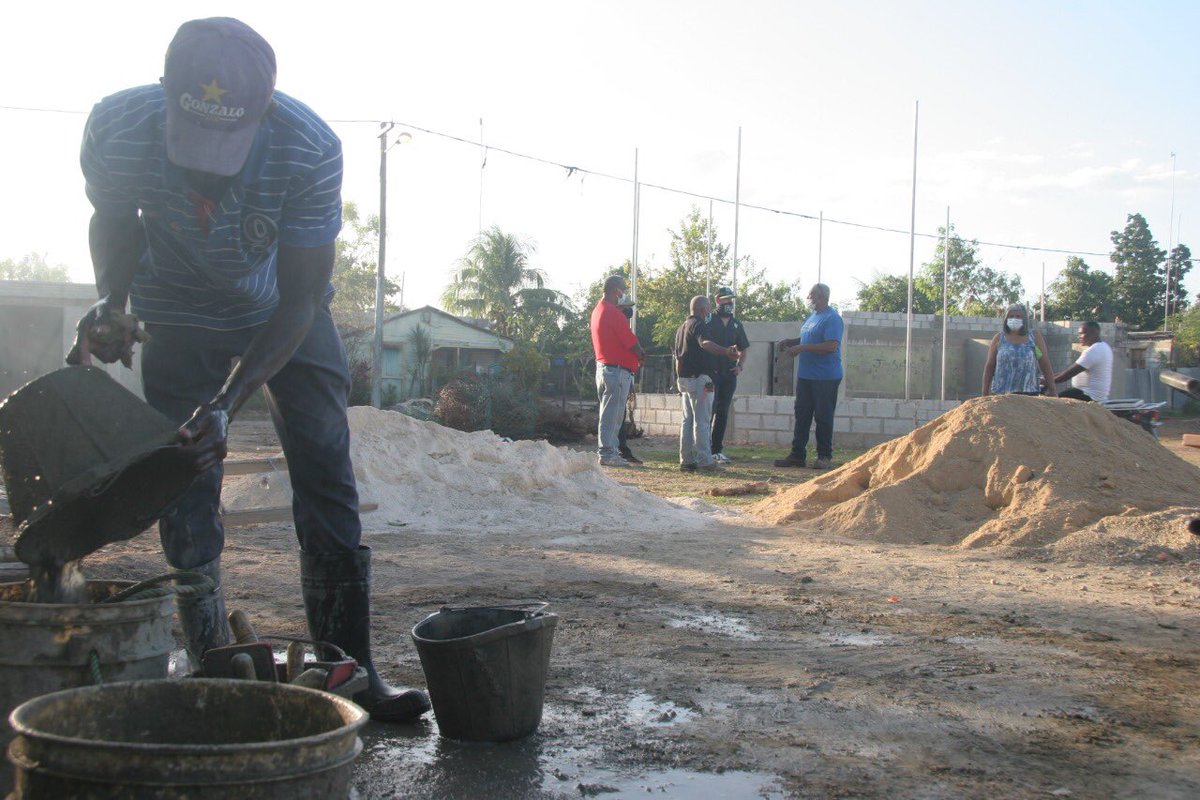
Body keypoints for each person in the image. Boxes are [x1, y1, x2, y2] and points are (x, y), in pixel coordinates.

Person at [72, 17, 429, 721]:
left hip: (282, 316)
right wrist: (111, 303)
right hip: (175, 311)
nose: (205, 169)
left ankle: (348, 673)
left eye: (224, 150)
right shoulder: (118, 127)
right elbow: (115, 222)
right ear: (168, 98)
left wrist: (228, 404)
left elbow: (300, 298)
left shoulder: (308, 148)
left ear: (263, 111)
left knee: (326, 466)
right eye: (193, 144)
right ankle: (212, 670)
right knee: (183, 476)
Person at [774, 284, 843, 470]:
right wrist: (792, 342)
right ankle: (797, 455)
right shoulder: (813, 317)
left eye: (811, 295)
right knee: (802, 415)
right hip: (806, 376)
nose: (808, 297)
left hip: (826, 377)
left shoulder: (832, 318)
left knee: (823, 416)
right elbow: (808, 338)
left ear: (821, 297)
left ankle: (824, 457)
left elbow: (830, 346)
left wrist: (801, 348)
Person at [674, 296, 739, 472]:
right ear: (703, 310)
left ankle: (686, 460)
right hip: (701, 379)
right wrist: (725, 351)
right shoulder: (699, 325)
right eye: (708, 309)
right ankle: (705, 460)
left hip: (685, 379)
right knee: (702, 421)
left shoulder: (681, 328)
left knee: (687, 421)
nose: (709, 313)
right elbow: (705, 343)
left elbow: (677, 357)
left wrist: (679, 379)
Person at [590, 275, 645, 466]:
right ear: (615, 290)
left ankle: (609, 452)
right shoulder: (613, 312)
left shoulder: (599, 309)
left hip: (606, 369)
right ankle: (608, 454)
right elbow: (632, 344)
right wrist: (641, 355)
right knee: (612, 417)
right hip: (616, 371)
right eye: (623, 289)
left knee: (609, 415)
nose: (624, 292)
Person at [704, 287, 750, 463]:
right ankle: (703, 448)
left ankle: (717, 450)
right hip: (710, 375)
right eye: (725, 299)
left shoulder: (736, 324)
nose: (729, 303)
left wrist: (740, 366)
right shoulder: (708, 320)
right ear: (717, 300)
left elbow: (743, 348)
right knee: (709, 410)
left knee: (722, 412)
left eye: (731, 299)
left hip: (728, 375)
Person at [982, 304, 1058, 398]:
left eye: (1018, 316)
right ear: (1006, 319)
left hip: (1029, 394)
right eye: (1011, 316)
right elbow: (990, 367)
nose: (1014, 319)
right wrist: (984, 394)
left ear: (1024, 319)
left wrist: (1053, 390)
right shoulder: (999, 339)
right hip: (1002, 394)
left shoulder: (1033, 338)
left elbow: (1044, 363)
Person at [1053, 321, 1112, 402]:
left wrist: (1048, 381)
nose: (1079, 337)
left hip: (1088, 395)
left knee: (1053, 402)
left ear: (1093, 333)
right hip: (1089, 394)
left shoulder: (1094, 350)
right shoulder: (1104, 346)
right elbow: (1067, 371)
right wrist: (1048, 377)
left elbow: (1068, 374)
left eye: (1082, 333)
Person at [615, 302, 643, 464]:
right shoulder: (616, 324)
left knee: (621, 414)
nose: (628, 311)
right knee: (617, 415)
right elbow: (633, 347)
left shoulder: (623, 325)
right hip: (617, 373)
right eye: (624, 307)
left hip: (625, 374)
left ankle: (621, 449)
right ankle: (619, 450)